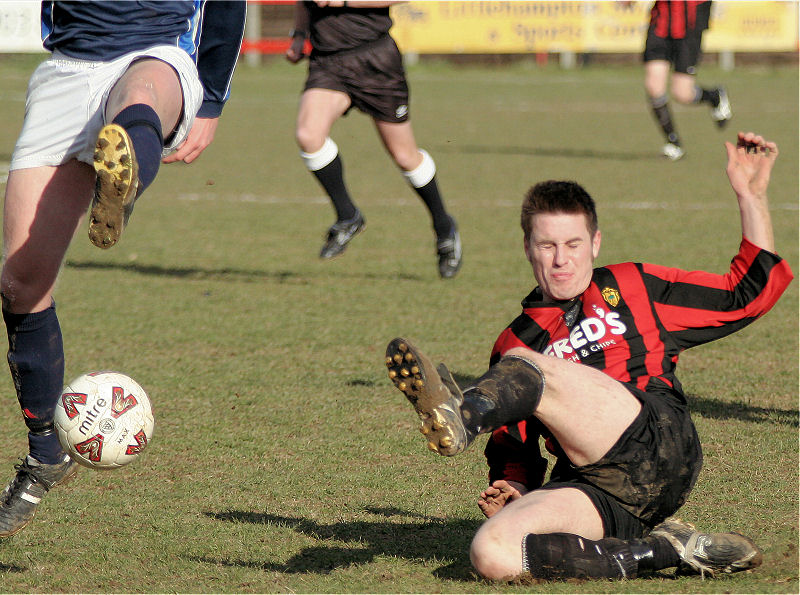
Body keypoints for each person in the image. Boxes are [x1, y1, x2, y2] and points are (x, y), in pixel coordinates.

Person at [385, 131, 792, 581]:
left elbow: (746, 295)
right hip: (599, 487)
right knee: (492, 551)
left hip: (656, 442)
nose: (561, 260)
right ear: (527, 249)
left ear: (595, 243)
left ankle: (464, 413)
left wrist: (751, 195)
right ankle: (663, 551)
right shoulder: (514, 342)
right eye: (547, 246)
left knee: (528, 364)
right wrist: (515, 485)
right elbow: (516, 449)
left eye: (573, 244)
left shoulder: (633, 286)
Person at [0, 0, 246, 538]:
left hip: (155, 56)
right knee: (20, 283)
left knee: (137, 98)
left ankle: (125, 177)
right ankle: (45, 453)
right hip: (66, 70)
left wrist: (214, 99)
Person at [285, 0, 462, 278]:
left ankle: (444, 227)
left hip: (375, 59)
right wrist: (299, 35)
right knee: (308, 135)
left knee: (405, 157)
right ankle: (348, 215)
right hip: (327, 61)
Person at [642, 0, 732, 160]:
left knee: (683, 94)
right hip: (660, 25)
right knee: (654, 87)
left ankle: (714, 96)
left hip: (688, 29)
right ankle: (673, 143)